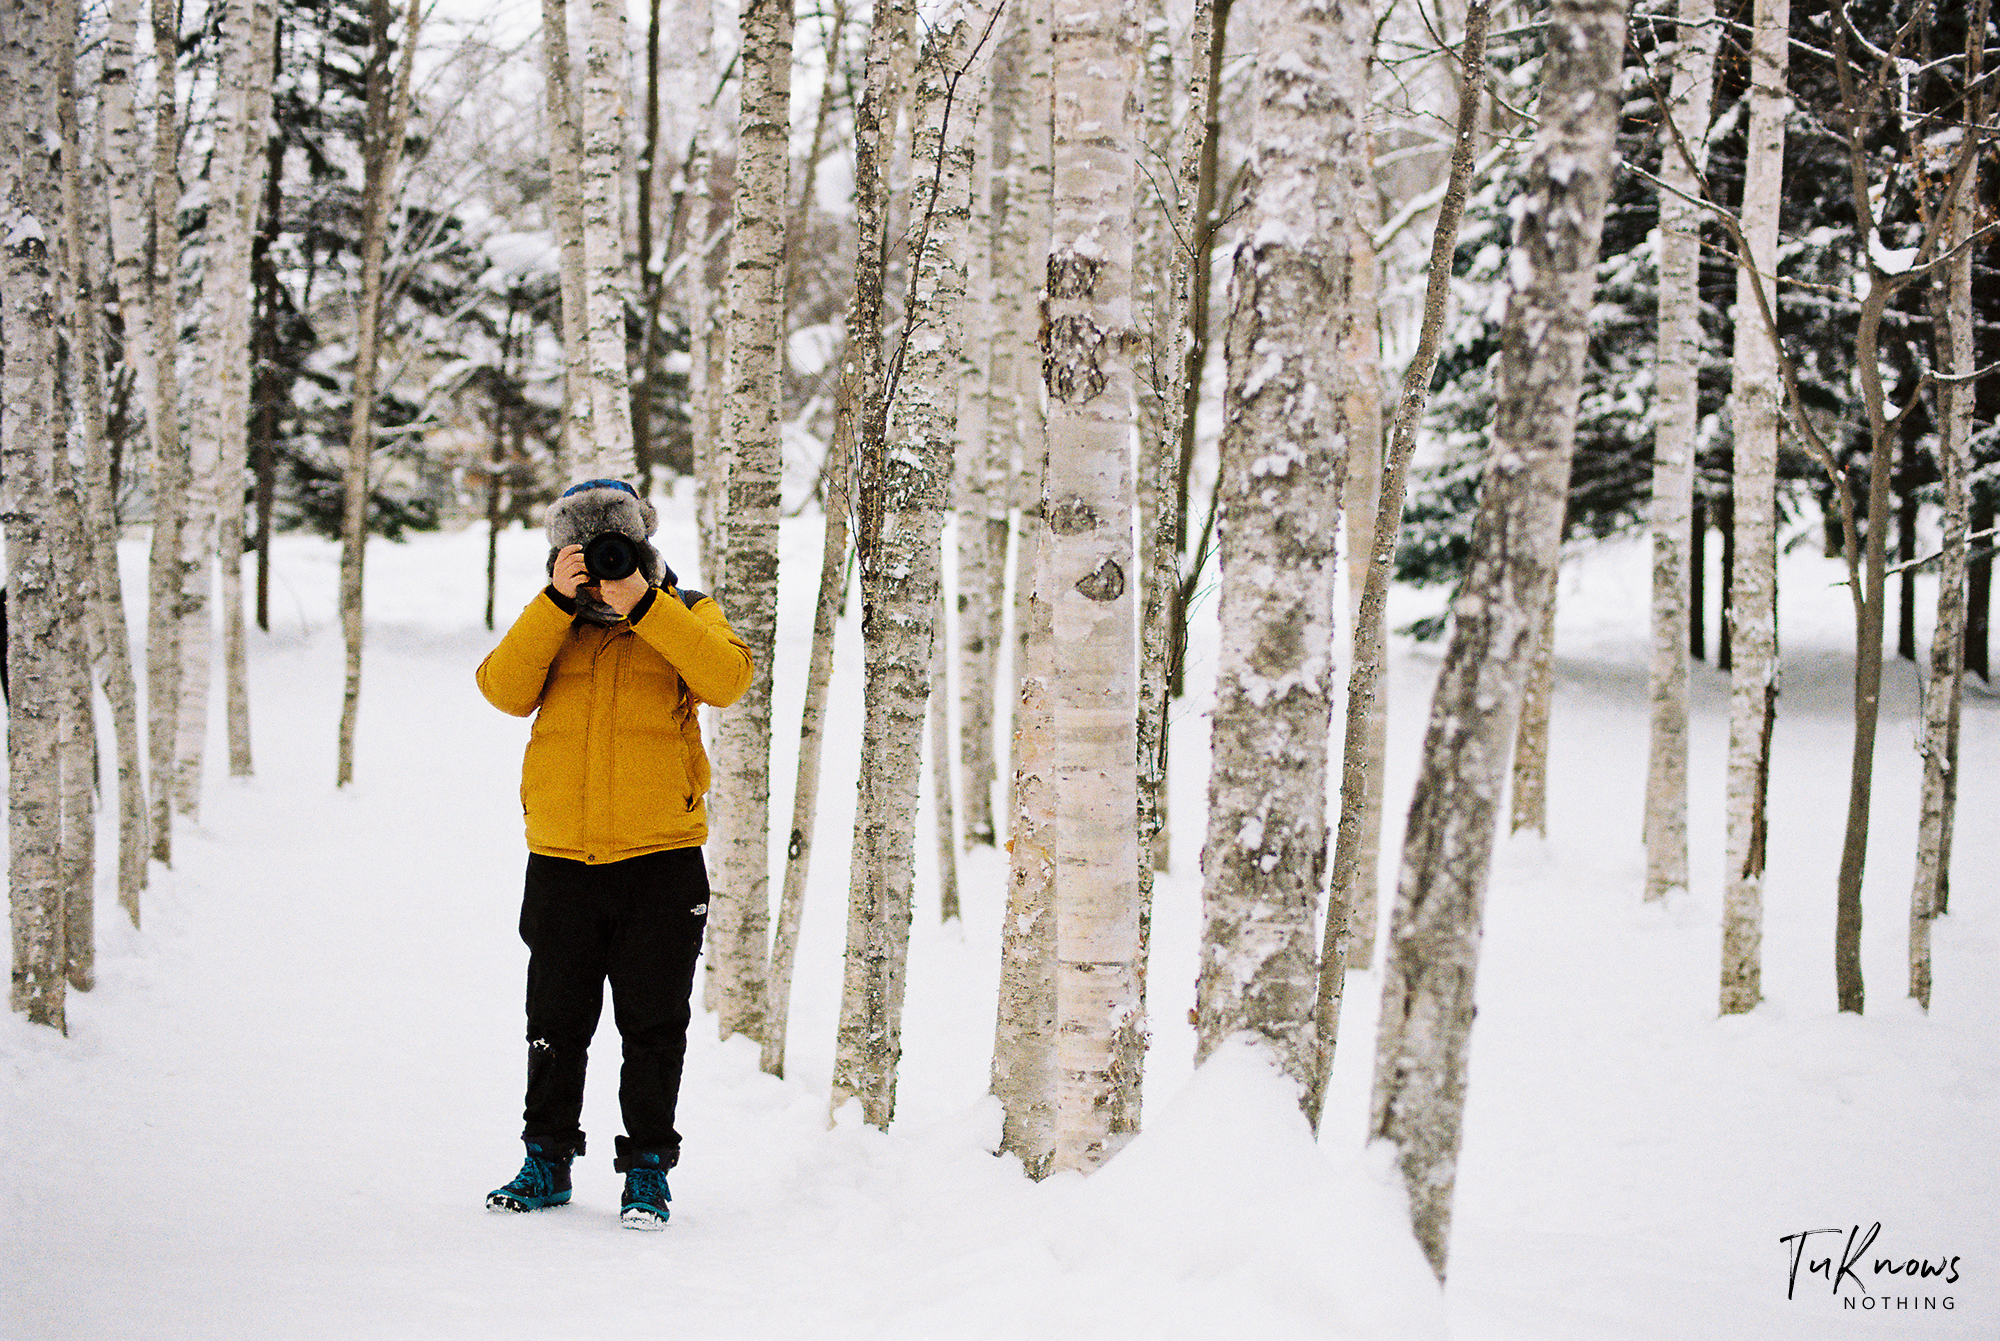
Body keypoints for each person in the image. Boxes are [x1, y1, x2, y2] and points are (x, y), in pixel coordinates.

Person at [474, 478, 751, 1229]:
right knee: (554, 1021)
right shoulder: (553, 620)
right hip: (562, 858)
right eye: (584, 551)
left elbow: (728, 679)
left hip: (660, 859)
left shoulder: (685, 609)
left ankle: (648, 1172)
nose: (601, 562)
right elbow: (500, 689)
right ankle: (547, 1159)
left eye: (613, 546)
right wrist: (557, 604)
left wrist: (645, 601)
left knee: (653, 1025)